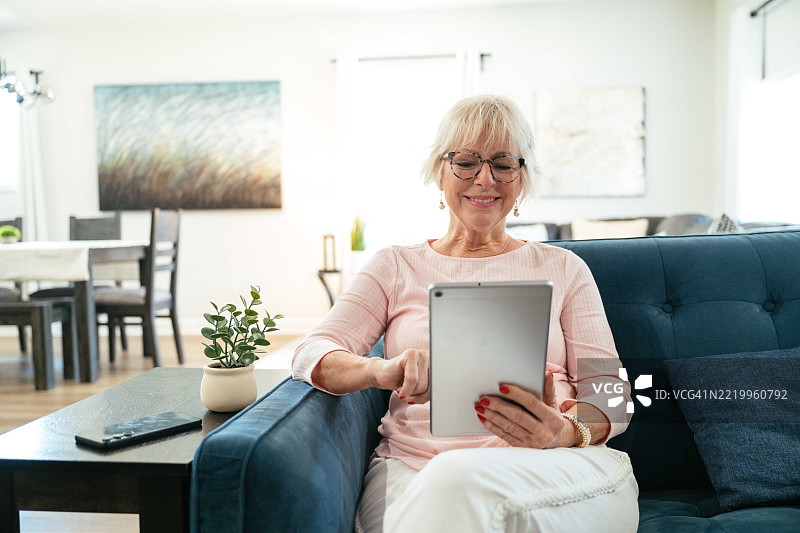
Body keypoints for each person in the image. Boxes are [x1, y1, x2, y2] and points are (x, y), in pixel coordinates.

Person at [293, 94, 638, 532]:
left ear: (522, 177)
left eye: (503, 163)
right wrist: (382, 371)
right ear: (440, 170)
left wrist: (566, 431)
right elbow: (312, 353)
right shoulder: (395, 265)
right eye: (467, 161)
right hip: (416, 470)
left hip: (552, 466)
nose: (485, 179)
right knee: (451, 480)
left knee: (456, 480)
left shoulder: (564, 268)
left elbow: (611, 395)